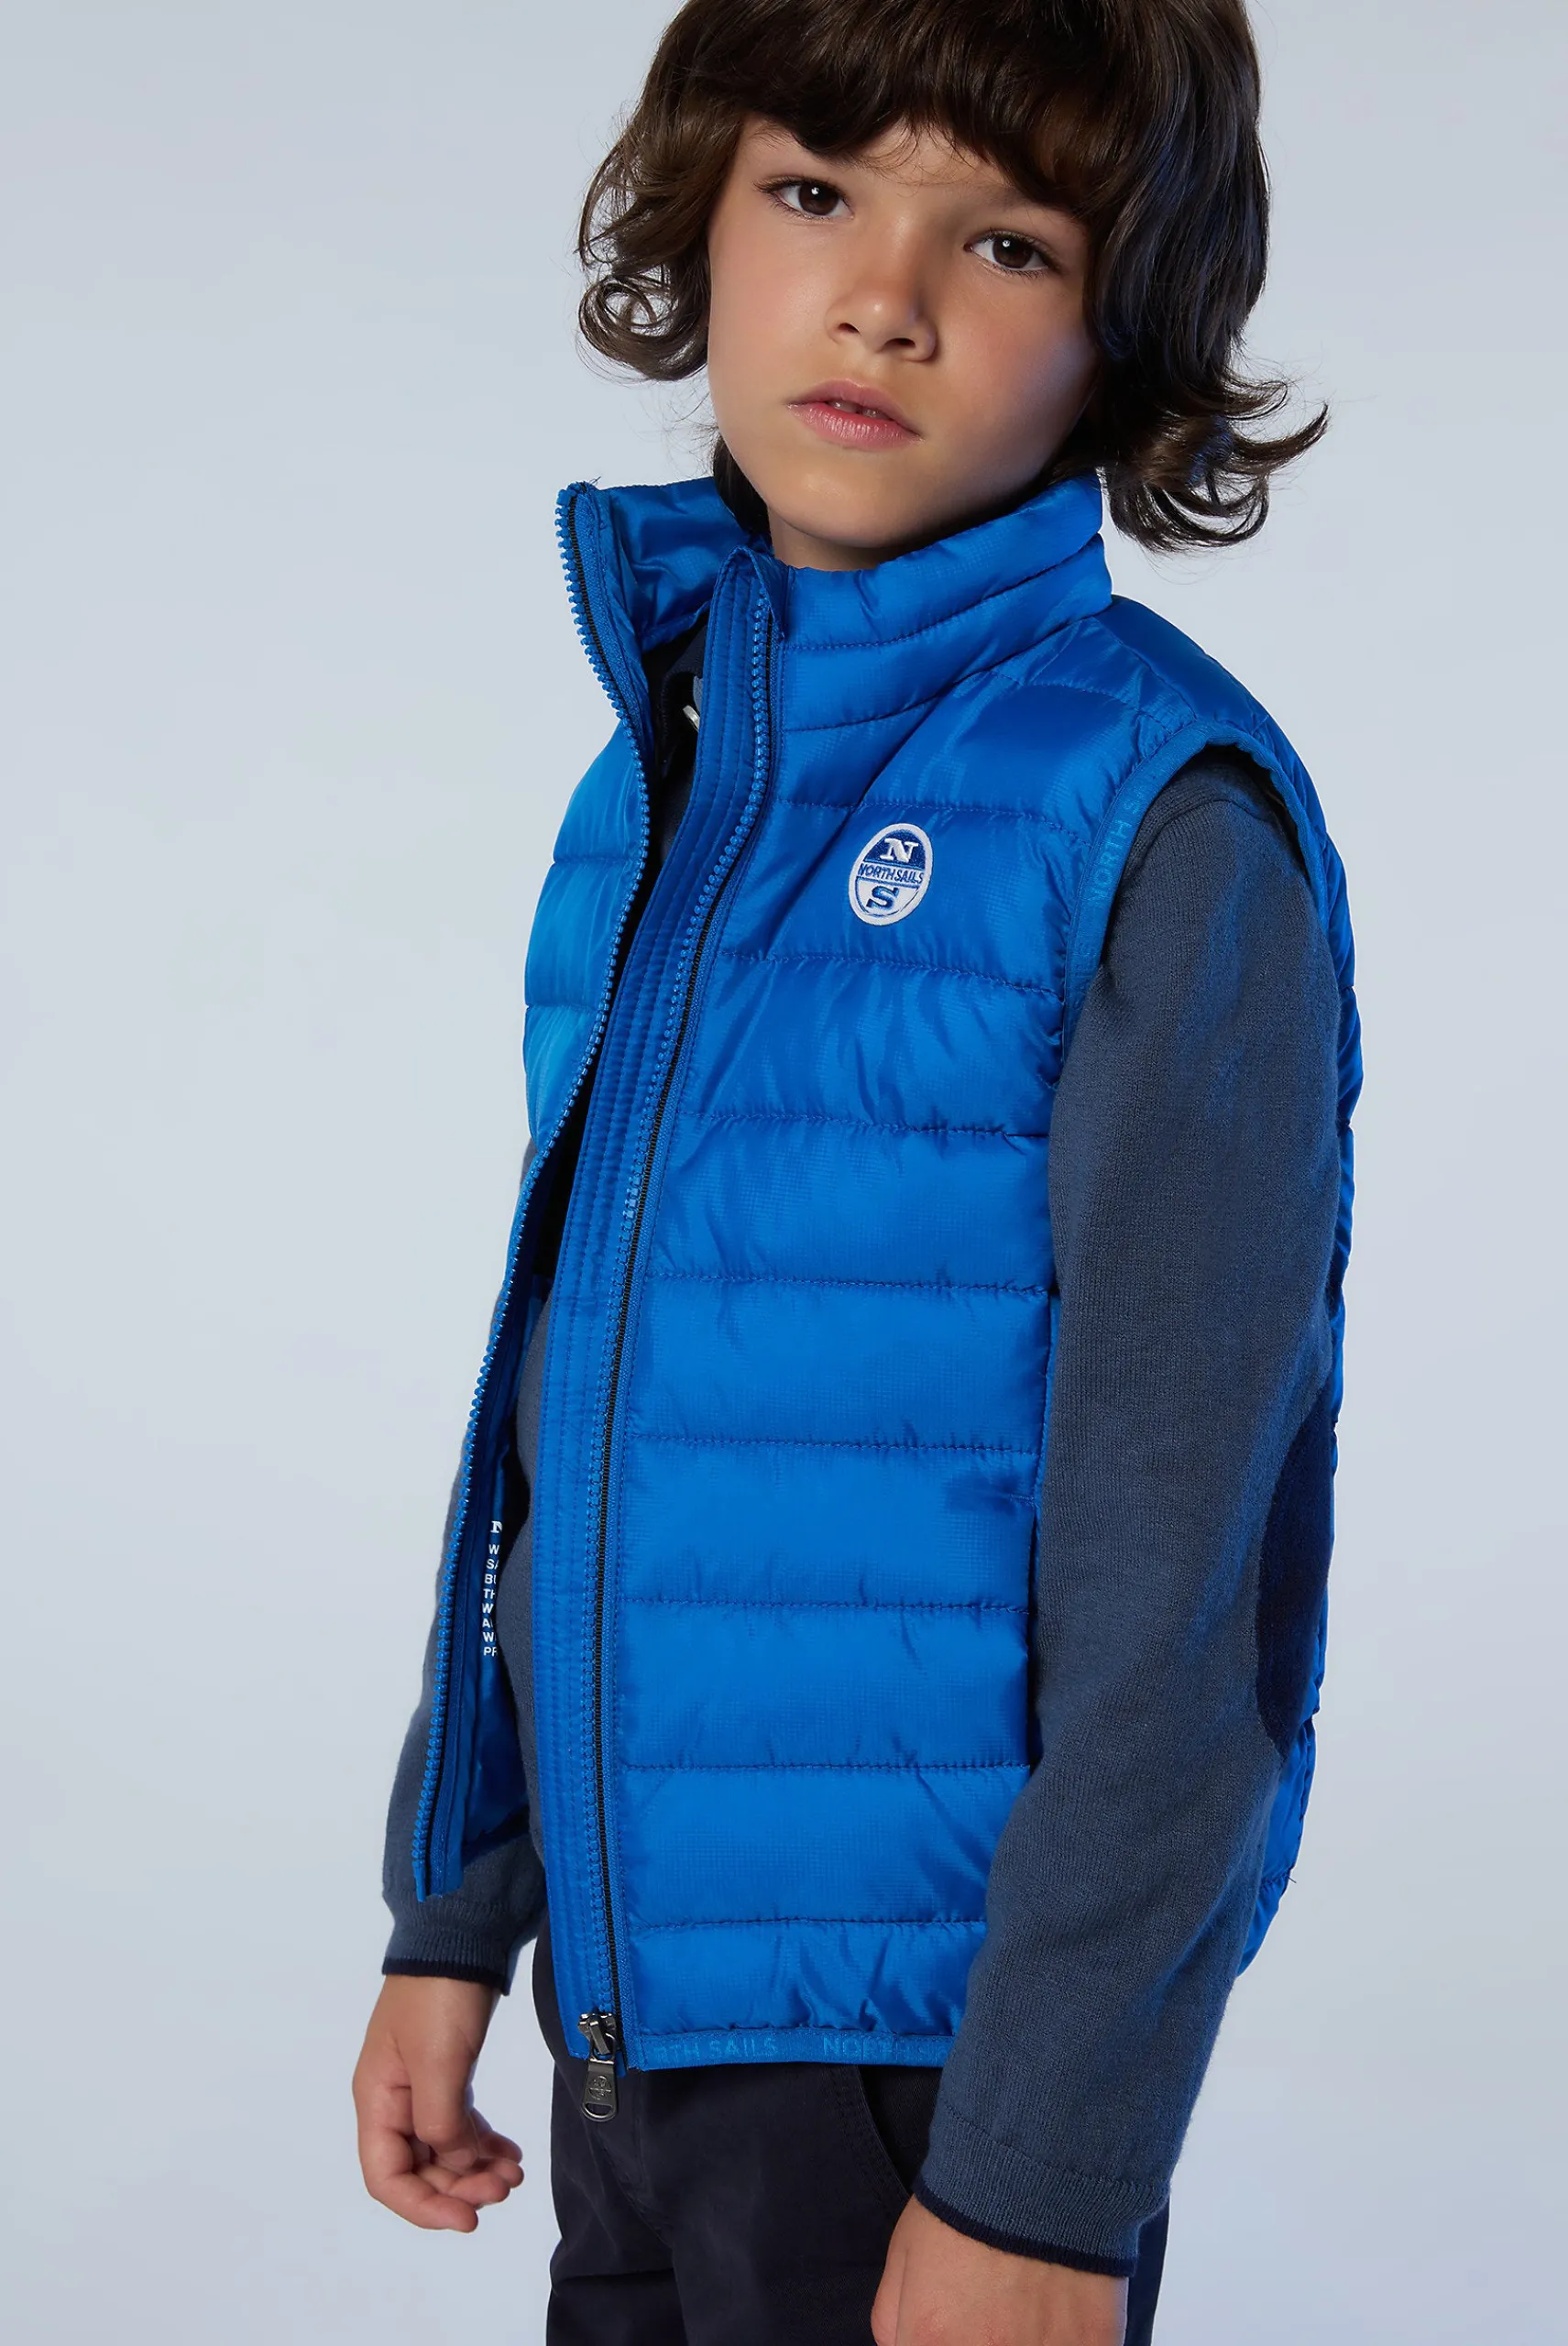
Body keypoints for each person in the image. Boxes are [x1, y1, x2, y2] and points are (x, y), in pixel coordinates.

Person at [351, 3, 1361, 2340]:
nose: (882, 297)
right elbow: (571, 1400)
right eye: (816, 191)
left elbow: (1195, 1596)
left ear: (1119, 337)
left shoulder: (1156, 820)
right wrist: (460, 1896)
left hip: (929, 2080)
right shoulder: (667, 781)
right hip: (634, 2026)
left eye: (1004, 241)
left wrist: (1044, 2177)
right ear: (700, 219)